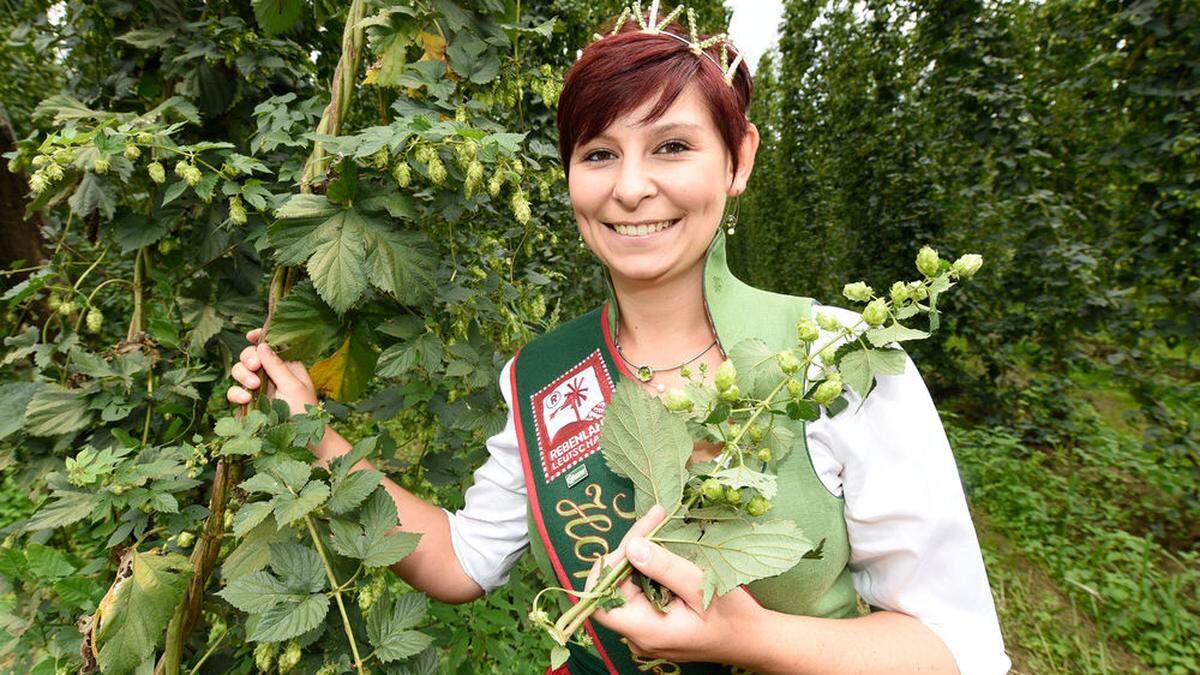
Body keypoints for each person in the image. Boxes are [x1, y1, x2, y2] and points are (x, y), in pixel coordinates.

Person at [228, 6, 1010, 674]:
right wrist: (309, 428)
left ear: (739, 161)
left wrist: (755, 637)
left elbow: (953, 645)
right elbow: (461, 560)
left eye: (672, 146)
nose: (631, 186)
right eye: (599, 153)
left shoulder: (837, 359)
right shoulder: (541, 376)